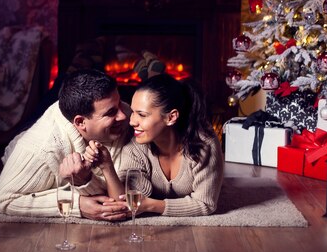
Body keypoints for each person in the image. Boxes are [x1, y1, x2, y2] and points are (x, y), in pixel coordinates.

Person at [0, 69, 131, 220]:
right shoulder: (40, 147)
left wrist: (85, 181)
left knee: (63, 82)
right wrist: (77, 204)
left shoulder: (126, 115)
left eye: (120, 105)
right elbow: (2, 199)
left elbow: (122, 195)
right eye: (111, 112)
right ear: (80, 122)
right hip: (30, 145)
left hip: (73, 117)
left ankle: (77, 65)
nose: (123, 115)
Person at [84, 73, 224, 217]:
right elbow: (122, 205)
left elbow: (205, 204)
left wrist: (151, 205)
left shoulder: (204, 144)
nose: (132, 121)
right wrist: (107, 166)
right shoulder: (136, 146)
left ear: (171, 117)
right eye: (133, 112)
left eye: (142, 115)